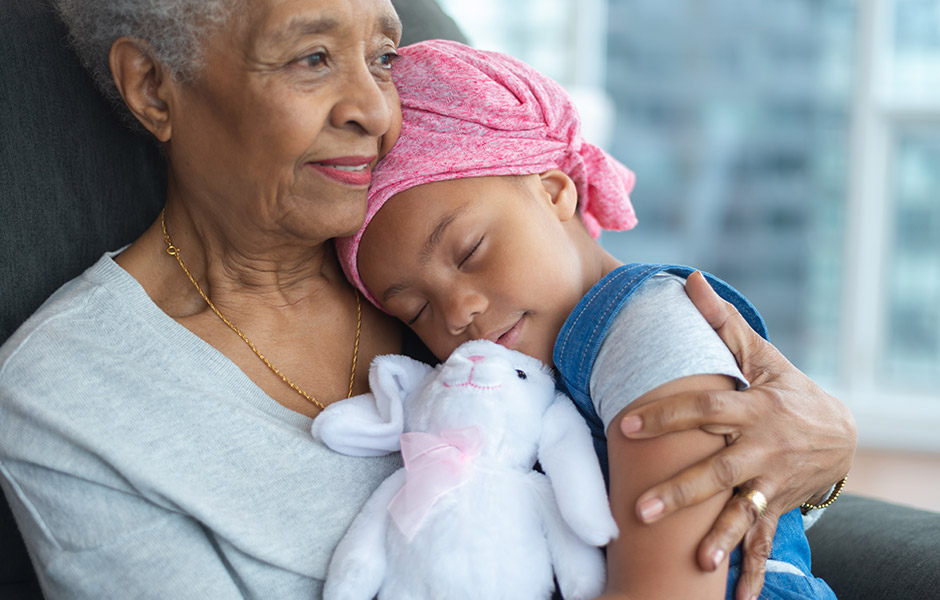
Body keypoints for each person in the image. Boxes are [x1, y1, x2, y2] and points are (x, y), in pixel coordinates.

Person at [0, 0, 853, 598]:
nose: (377, 110)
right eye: (310, 57)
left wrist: (819, 459)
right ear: (154, 87)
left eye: (381, 55)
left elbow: (676, 403)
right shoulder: (71, 398)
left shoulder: (433, 236)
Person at [336, 40, 842, 598]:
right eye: (417, 309)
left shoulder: (647, 327)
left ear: (554, 192)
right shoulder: (512, 379)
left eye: (471, 251)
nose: (459, 314)